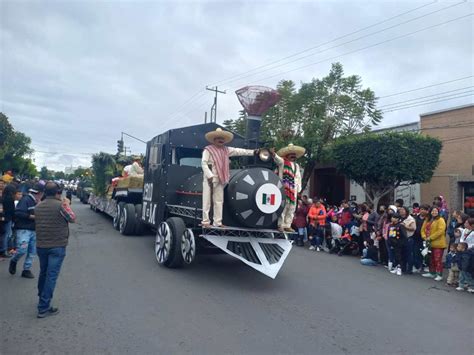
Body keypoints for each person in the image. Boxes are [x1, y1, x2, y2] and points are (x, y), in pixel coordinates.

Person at [35, 182, 76, 318]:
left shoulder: (38, 206)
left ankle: (42, 297)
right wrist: (67, 204)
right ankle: (43, 307)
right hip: (57, 245)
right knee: (51, 276)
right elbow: (72, 218)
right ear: (58, 192)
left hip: (41, 245)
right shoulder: (60, 206)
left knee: (44, 273)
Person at [201, 128, 257, 227]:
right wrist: (209, 175)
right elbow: (204, 163)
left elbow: (240, 151)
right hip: (210, 178)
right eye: (218, 138)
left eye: (222, 138)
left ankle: (217, 222)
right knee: (207, 201)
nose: (220, 140)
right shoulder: (208, 150)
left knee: (219, 201)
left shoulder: (227, 150)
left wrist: (254, 152)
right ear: (214, 139)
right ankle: (205, 222)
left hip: (221, 177)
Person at [9, 183, 44, 278]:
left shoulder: (37, 201)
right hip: (23, 229)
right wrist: (31, 216)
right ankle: (14, 260)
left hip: (34, 229)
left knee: (32, 251)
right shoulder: (26, 200)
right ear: (39, 193)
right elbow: (18, 213)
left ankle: (26, 269)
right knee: (22, 249)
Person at [272, 143, 305, 232]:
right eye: (291, 155)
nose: (293, 157)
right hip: (283, 188)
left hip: (293, 189)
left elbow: (298, 178)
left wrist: (298, 190)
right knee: (283, 206)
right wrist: (274, 154)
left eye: (294, 156)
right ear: (287, 155)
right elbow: (277, 160)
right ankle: (280, 225)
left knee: (292, 208)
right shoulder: (282, 162)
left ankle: (287, 225)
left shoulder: (296, 166)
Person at [421, 206, 447, 281]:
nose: (434, 212)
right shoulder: (427, 219)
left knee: (437, 259)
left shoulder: (440, 220)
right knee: (430, 258)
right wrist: (424, 237)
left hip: (438, 243)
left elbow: (441, 231)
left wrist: (430, 237)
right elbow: (422, 230)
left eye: (435, 211)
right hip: (428, 243)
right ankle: (432, 272)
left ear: (438, 212)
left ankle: (439, 274)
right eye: (432, 211)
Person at [0, 182, 17, 257]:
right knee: (7, 235)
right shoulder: (11, 200)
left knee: (3, 234)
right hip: (8, 219)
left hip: (2, 218)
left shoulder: (2, 198)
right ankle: (4, 250)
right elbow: (12, 211)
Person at [412, 204, 430, 273]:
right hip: (416, 237)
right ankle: (417, 266)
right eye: (421, 209)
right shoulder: (415, 218)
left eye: (424, 209)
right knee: (416, 252)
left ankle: (425, 266)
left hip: (425, 238)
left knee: (425, 253)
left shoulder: (428, 219)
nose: (422, 211)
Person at [399, 206, 416, 274]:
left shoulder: (410, 219)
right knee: (402, 254)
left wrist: (405, 226)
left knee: (409, 254)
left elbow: (413, 228)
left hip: (409, 237)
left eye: (403, 210)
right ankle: (403, 268)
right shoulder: (400, 218)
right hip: (401, 238)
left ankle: (410, 269)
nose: (402, 211)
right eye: (400, 210)